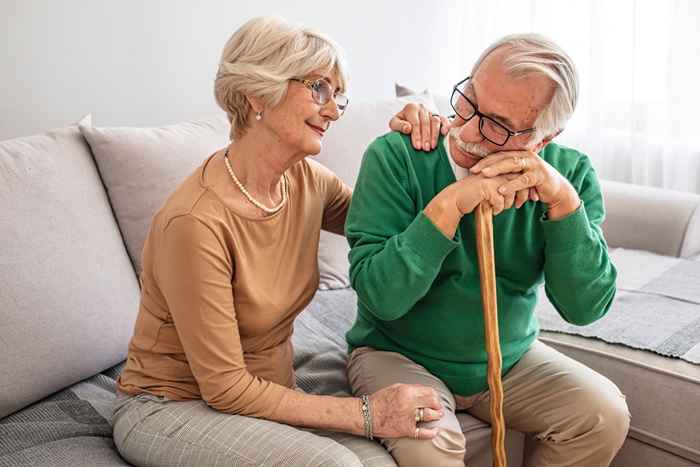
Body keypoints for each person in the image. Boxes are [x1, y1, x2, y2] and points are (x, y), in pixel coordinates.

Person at [111, 16, 449, 467]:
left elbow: (397, 227)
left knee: (390, 459)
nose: (333, 110)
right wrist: (367, 413)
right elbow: (225, 386)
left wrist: (421, 147)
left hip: (268, 392)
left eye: (338, 96)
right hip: (171, 406)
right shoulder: (195, 223)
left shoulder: (306, 181)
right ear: (257, 94)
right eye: (319, 89)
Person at [345, 33, 631, 467]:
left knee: (602, 414)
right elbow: (380, 297)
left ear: (544, 137)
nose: (469, 129)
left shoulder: (570, 174)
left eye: (498, 125)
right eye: (469, 99)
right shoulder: (397, 156)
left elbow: (586, 307)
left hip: (510, 361)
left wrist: (563, 204)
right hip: (395, 352)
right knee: (430, 449)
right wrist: (449, 204)